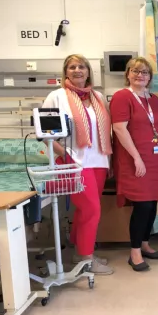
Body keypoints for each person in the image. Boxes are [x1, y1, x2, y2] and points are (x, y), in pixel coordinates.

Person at [42, 54, 113, 275]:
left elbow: (106, 130)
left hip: (98, 160)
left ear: (88, 71)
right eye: (71, 67)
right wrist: (66, 155)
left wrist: (109, 160)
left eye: (81, 66)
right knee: (91, 209)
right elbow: (46, 135)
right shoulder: (56, 97)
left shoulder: (98, 97)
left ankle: (81, 251)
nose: (77, 70)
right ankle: (86, 258)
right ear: (66, 72)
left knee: (86, 211)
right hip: (74, 162)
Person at [110, 57, 158, 272]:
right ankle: (134, 251)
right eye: (135, 71)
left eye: (145, 72)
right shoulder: (122, 97)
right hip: (135, 158)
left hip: (156, 159)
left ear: (150, 77)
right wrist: (137, 157)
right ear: (127, 74)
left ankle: (145, 243)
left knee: (152, 202)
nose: (140, 75)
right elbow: (119, 129)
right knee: (143, 204)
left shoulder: (153, 99)